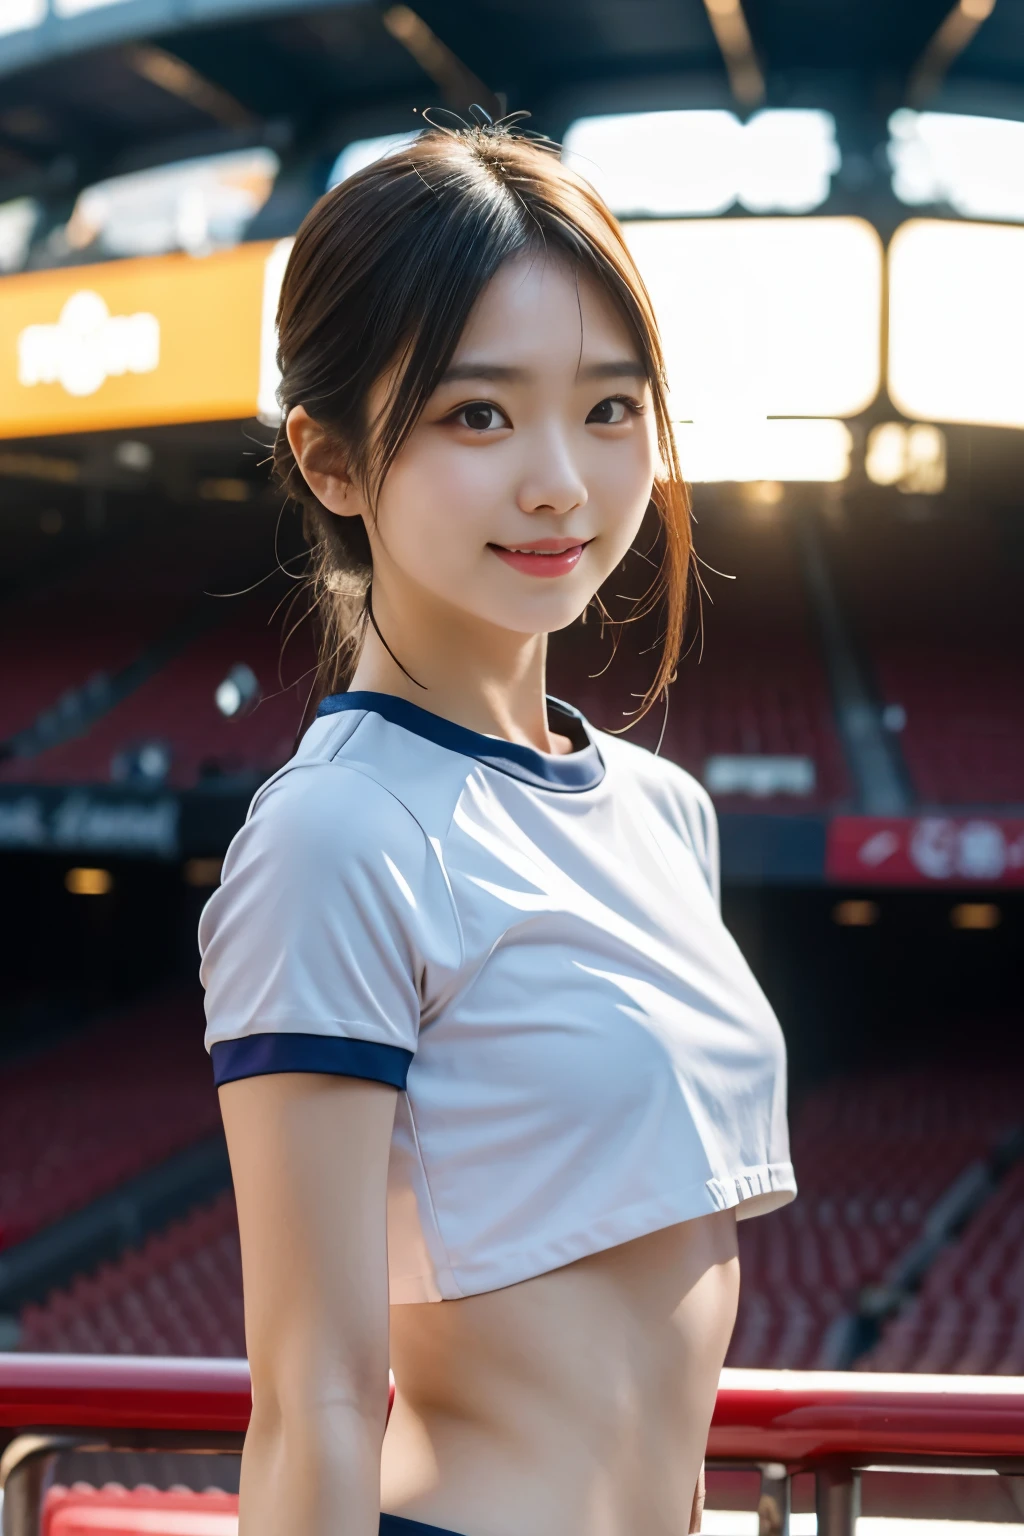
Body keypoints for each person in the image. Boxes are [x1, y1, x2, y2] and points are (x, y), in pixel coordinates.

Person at [199, 119, 795, 1536]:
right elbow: (314, 1396)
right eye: (480, 414)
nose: (563, 484)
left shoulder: (669, 813)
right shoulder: (336, 835)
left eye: (607, 407)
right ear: (332, 461)